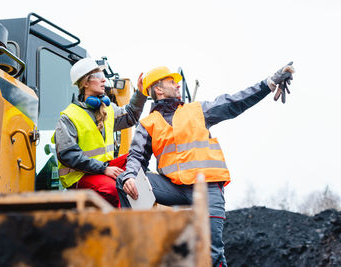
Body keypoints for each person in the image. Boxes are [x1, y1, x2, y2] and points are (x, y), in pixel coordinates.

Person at [116, 63, 295, 266]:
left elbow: (235, 101)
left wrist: (268, 84)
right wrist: (130, 175)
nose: (177, 85)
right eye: (171, 81)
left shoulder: (198, 110)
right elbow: (136, 156)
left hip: (206, 187)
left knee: (211, 252)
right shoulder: (149, 123)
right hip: (173, 187)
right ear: (158, 89)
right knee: (124, 179)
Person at [53, 58, 147, 208]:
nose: (104, 80)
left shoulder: (108, 110)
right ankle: (122, 228)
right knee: (113, 190)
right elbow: (68, 155)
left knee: (137, 161)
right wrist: (104, 169)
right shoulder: (68, 117)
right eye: (98, 76)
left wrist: (141, 94)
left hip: (102, 169)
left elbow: (130, 116)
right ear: (85, 83)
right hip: (79, 176)